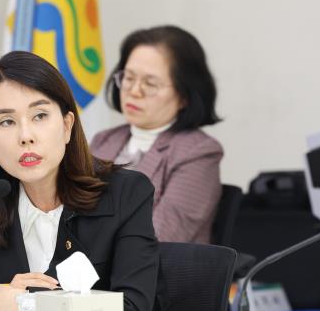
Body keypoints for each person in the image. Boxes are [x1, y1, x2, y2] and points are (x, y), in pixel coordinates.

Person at [0, 51, 166, 311]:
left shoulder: (125, 193)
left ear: (67, 125)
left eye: (40, 116)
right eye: (7, 122)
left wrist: (27, 302)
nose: (26, 136)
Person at [91, 25, 223, 244]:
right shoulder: (104, 141)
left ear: (184, 96)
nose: (134, 91)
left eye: (150, 84)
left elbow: (158, 236)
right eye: (129, 78)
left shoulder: (198, 153)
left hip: (152, 266)